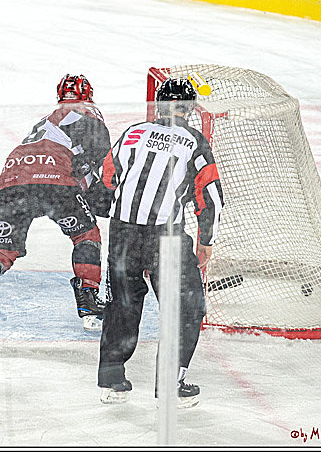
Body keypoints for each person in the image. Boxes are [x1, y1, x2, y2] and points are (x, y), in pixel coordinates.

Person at [0, 74, 113, 337]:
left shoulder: (45, 121)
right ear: (89, 96)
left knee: (0, 251)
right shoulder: (90, 113)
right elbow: (103, 166)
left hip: (12, 176)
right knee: (85, 234)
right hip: (53, 175)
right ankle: (88, 298)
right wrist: (108, 198)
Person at [96, 77, 222, 407]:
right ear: (190, 109)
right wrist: (206, 240)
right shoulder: (194, 141)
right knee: (185, 307)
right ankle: (169, 385)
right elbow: (210, 196)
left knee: (122, 304)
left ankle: (112, 380)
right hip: (165, 237)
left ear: (158, 106)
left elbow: (106, 177)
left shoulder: (134, 133)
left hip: (122, 232)